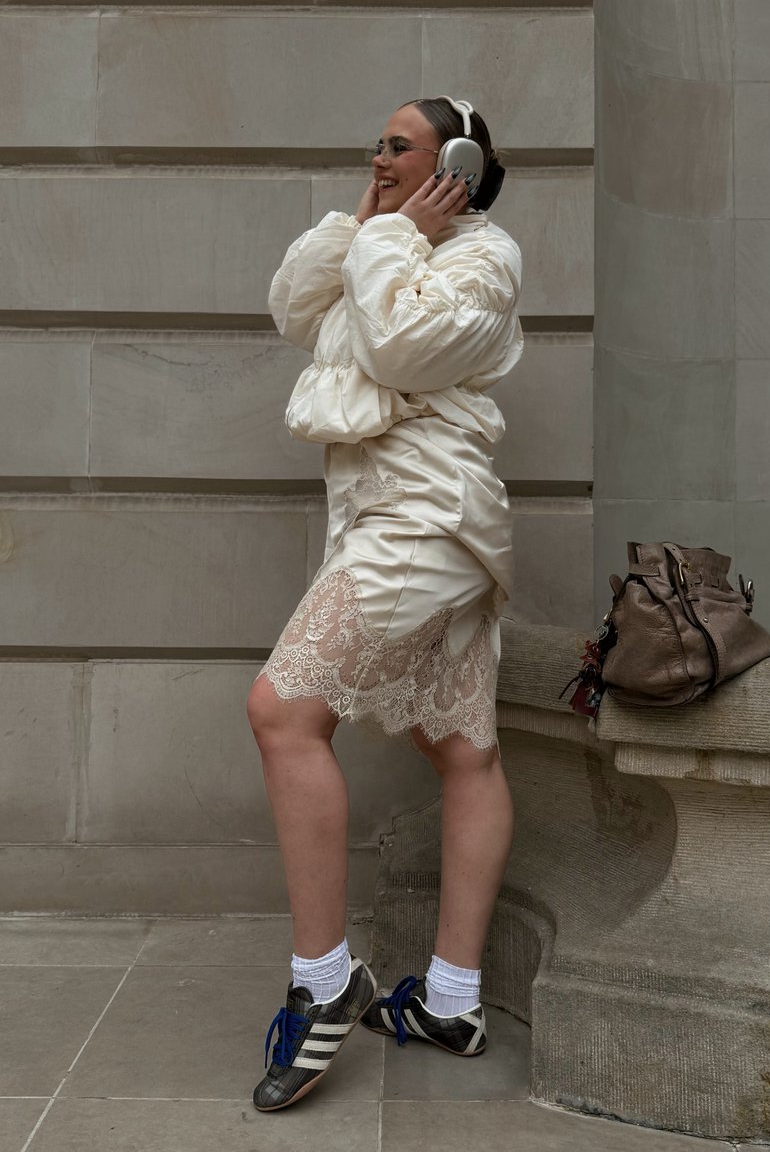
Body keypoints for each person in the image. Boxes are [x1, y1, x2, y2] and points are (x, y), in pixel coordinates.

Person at [247, 96, 523, 1111]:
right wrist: (363, 227)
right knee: (461, 749)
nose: (376, 155)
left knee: (282, 713)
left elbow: (402, 348)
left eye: (398, 145)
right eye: (377, 142)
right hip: (399, 518)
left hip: (426, 520)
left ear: (456, 164)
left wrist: (394, 240)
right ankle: (450, 1001)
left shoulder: (483, 259)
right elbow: (292, 308)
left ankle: (324, 982)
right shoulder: (386, 240)